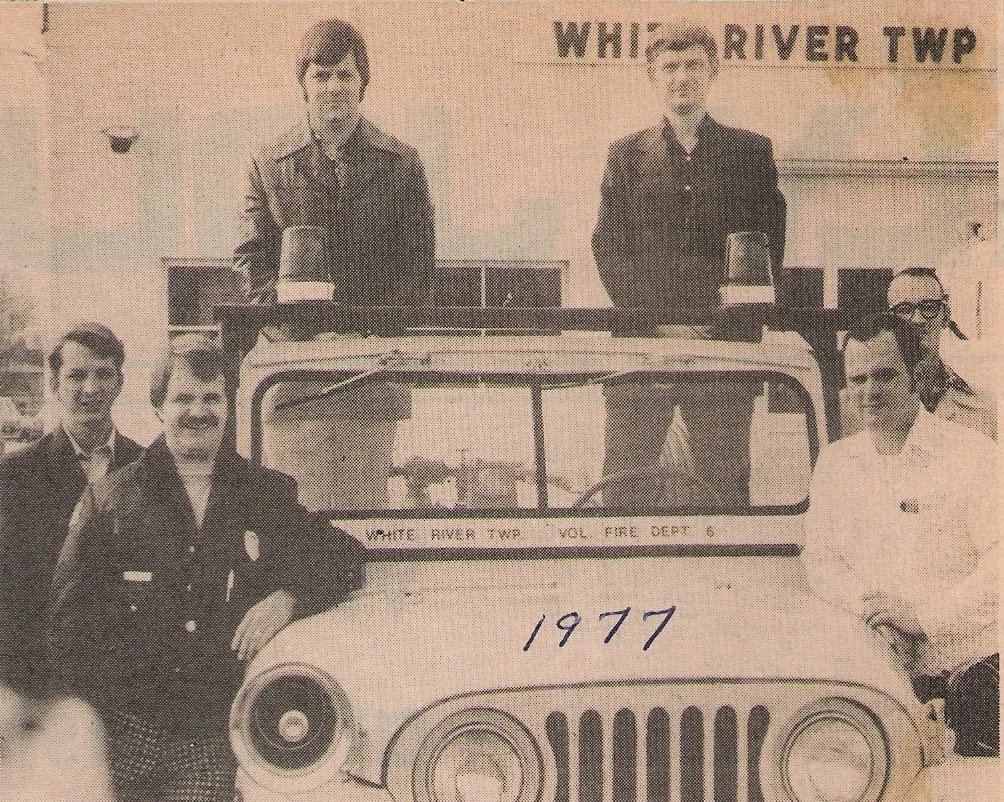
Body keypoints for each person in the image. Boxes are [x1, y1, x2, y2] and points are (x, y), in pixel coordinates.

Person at [48, 340, 364, 802]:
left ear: (229, 406)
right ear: (159, 407)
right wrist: (105, 708)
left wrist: (289, 599)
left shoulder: (265, 493)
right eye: (183, 399)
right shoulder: (111, 499)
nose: (198, 412)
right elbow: (68, 618)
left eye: (211, 399)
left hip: (213, 734)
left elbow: (344, 556)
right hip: (126, 732)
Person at [591, 24, 786, 508]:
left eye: (693, 65)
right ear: (653, 78)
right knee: (624, 485)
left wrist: (720, 327)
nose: (682, 76)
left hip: (722, 349)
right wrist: (657, 323)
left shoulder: (750, 153)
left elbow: (763, 249)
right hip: (645, 348)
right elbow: (608, 247)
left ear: (713, 72)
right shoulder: (625, 155)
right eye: (670, 67)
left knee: (724, 487)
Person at [804, 314, 998, 757]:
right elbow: (821, 562)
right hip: (877, 687)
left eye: (885, 375)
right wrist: (876, 615)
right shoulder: (836, 464)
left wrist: (924, 620)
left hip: (973, 684)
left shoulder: (975, 456)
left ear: (917, 379)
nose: (870, 391)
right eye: (858, 379)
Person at [235, 18, 435, 305]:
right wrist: (296, 325)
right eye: (322, 76)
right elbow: (251, 263)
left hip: (377, 342)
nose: (333, 87)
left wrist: (370, 332)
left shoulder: (403, 164)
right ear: (304, 84)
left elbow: (419, 269)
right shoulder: (266, 165)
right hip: (294, 342)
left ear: (362, 83)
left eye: (345, 75)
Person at [0, 323, 142, 699]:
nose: (91, 389)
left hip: (131, 692)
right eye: (77, 375)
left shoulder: (149, 470)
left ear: (119, 382)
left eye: (103, 374)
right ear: (54, 383)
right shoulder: (14, 478)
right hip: (43, 690)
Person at [840, 267, 997, 440]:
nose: (917, 319)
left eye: (929, 307)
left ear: (945, 316)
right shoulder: (853, 407)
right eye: (904, 309)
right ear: (888, 319)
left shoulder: (985, 408)